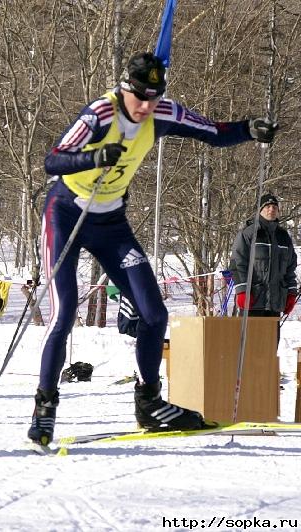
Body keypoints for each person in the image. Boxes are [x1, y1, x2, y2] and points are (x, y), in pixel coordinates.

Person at [30, 51, 279, 445]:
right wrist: (94, 156)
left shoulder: (163, 112)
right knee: (64, 313)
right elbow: (53, 160)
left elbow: (212, 132)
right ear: (125, 88)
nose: (146, 107)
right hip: (66, 215)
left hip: (111, 223)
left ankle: (148, 402)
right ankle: (45, 408)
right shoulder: (100, 114)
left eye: (154, 97)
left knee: (153, 313)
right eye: (140, 98)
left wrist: (250, 128)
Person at [229, 193, 298, 327]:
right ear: (260, 210)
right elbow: (237, 264)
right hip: (253, 302)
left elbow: (290, 269)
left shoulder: (284, 237)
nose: (271, 209)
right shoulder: (249, 234)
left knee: (270, 345)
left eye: (274, 207)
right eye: (267, 206)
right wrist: (242, 291)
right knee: (250, 344)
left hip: (275, 304)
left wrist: (291, 293)